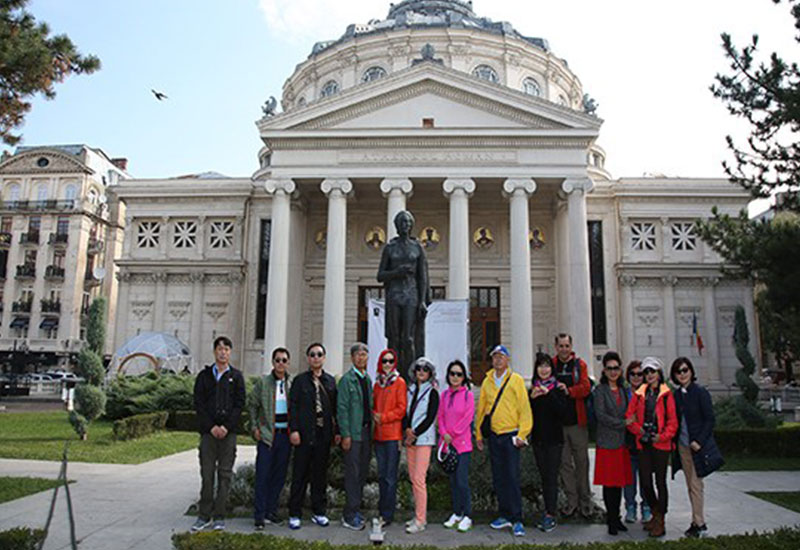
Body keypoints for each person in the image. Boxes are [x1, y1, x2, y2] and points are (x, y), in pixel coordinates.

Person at [475, 345, 532, 537]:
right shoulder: (487, 381)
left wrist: (522, 434)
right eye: (495, 357)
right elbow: (482, 409)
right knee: (499, 477)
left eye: (501, 357)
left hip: (511, 435)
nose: (498, 360)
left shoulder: (516, 380)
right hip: (494, 435)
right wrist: (478, 434)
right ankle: (504, 514)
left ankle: (517, 518)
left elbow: (524, 409)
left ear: (507, 360)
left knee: (512, 477)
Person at [191, 336, 246, 532]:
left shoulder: (236, 377)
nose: (223, 352)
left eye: (226, 349)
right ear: (215, 352)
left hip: (228, 434)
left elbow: (239, 405)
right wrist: (211, 427)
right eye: (220, 349)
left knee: (225, 475)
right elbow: (199, 404)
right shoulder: (204, 376)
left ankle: (220, 516)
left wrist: (226, 427)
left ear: (230, 352)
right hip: (208, 434)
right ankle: (204, 515)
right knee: (207, 475)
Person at [287, 343, 339, 530]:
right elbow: (293, 407)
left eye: (319, 354)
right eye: (312, 355)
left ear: (324, 358)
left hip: (323, 436)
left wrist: (337, 432)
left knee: (319, 476)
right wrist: (294, 430)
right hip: (304, 435)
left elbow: (335, 410)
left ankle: (319, 512)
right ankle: (294, 513)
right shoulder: (300, 381)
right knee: (299, 475)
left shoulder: (330, 381)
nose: (316, 358)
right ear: (308, 358)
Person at [625, 356, 677, 538]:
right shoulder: (640, 393)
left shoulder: (666, 394)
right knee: (646, 482)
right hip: (644, 442)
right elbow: (629, 417)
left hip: (661, 444)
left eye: (652, 371)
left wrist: (661, 437)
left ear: (659, 373)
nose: (649, 375)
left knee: (660, 482)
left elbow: (673, 422)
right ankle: (655, 512)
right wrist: (639, 430)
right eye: (646, 372)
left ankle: (660, 519)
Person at [377, 210, 431, 380]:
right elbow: (380, 275)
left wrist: (423, 300)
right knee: (394, 338)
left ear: (411, 225)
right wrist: (396, 272)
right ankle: (393, 375)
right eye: (402, 222)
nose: (405, 225)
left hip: (411, 296)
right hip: (394, 295)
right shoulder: (390, 248)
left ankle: (411, 376)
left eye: (407, 222)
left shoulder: (417, 248)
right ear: (396, 225)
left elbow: (423, 277)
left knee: (409, 338)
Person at [248, 347, 292, 529]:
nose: (281, 363)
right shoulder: (263, 383)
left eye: (284, 360)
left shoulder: (291, 384)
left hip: (285, 437)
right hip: (267, 436)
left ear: (288, 363)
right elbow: (252, 404)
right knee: (263, 476)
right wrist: (254, 427)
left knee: (279, 477)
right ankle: (259, 516)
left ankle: (270, 511)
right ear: (273, 362)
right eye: (278, 360)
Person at [670, 357, 714, 538]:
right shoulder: (677, 395)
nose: (682, 374)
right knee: (690, 485)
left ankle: (700, 524)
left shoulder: (700, 392)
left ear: (691, 371)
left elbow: (710, 420)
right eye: (678, 371)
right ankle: (695, 522)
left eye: (685, 370)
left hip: (696, 447)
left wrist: (699, 441)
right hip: (683, 446)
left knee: (696, 485)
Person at [552, 333, 593, 518]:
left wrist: (568, 391)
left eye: (567, 346)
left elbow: (586, 387)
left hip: (577, 423)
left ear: (571, 346)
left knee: (582, 463)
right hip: (558, 425)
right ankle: (572, 502)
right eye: (561, 346)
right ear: (556, 347)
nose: (564, 349)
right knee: (565, 465)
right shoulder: (552, 365)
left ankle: (586, 502)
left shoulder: (579, 365)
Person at [593, 351, 634, 535]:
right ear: (604, 370)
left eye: (616, 368)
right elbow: (601, 415)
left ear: (620, 370)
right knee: (608, 484)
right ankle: (610, 519)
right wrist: (623, 423)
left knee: (619, 483)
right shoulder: (600, 391)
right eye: (609, 368)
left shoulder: (624, 390)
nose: (613, 371)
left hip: (621, 443)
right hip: (606, 442)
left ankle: (617, 518)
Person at [337, 342, 373, 531]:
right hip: (353, 433)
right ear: (352, 358)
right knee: (352, 474)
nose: (361, 357)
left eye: (364, 354)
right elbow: (342, 409)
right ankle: (349, 515)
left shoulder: (367, 379)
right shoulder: (347, 380)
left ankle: (356, 510)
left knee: (361, 474)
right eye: (358, 354)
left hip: (366, 433)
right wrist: (345, 434)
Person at [529, 352, 567, 533]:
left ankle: (551, 514)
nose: (543, 370)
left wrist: (549, 394)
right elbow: (528, 415)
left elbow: (562, 412)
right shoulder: (533, 390)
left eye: (547, 366)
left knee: (551, 478)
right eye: (540, 366)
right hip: (538, 440)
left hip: (554, 441)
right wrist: (532, 399)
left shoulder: (558, 388)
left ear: (552, 369)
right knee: (544, 477)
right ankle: (547, 511)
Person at [403, 357, 440, 534]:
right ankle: (418, 514)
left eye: (425, 369)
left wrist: (415, 433)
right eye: (418, 369)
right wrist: (407, 430)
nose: (421, 372)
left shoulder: (432, 392)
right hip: (410, 440)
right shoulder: (410, 390)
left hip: (423, 440)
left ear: (430, 373)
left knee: (419, 479)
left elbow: (430, 417)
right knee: (413, 478)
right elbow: (406, 413)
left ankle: (420, 520)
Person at [372, 348, 408, 526]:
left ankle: (387, 514)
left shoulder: (399, 382)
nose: (387, 364)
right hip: (378, 436)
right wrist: (374, 415)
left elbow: (402, 409)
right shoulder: (377, 384)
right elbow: (373, 405)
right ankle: (382, 510)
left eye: (390, 361)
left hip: (393, 436)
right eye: (384, 361)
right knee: (381, 476)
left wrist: (383, 417)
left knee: (390, 477)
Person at [438, 359, 474, 533]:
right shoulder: (444, 395)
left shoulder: (468, 395)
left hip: (462, 444)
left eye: (459, 374)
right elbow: (440, 416)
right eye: (452, 373)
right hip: (447, 444)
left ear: (463, 377)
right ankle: (457, 513)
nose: (455, 377)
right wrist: (444, 433)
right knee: (452, 482)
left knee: (462, 481)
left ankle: (467, 515)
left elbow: (468, 418)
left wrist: (452, 433)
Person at [622, 360, 652, 524]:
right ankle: (630, 507)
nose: (636, 377)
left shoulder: (650, 394)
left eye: (639, 374)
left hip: (645, 443)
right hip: (628, 442)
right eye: (632, 374)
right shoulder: (624, 394)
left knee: (646, 478)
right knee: (629, 479)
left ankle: (646, 507)